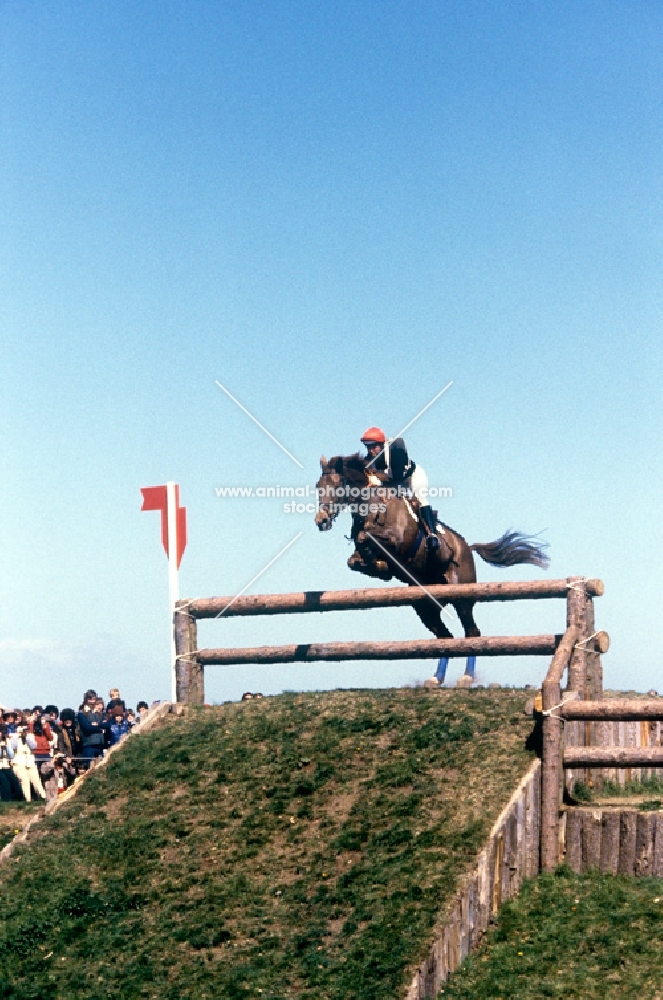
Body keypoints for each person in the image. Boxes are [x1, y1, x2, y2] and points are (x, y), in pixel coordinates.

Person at [360, 426, 440, 550]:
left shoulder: (396, 448)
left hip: (411, 476)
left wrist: (378, 483)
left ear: (382, 444)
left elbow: (397, 482)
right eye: (368, 447)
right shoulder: (370, 459)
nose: (371, 451)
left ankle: (432, 536)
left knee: (420, 499)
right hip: (392, 481)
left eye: (373, 446)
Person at [9, 724, 46, 800]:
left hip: (30, 761)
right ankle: (27, 799)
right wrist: (17, 735)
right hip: (19, 762)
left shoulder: (30, 736)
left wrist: (26, 737)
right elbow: (13, 746)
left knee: (36, 781)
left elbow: (34, 746)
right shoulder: (14, 737)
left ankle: (43, 797)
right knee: (25, 780)